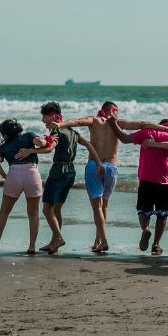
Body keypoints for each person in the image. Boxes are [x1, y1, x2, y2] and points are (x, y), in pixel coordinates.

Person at [109, 114, 168, 254]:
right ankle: (156, 244)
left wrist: (113, 124)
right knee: (162, 215)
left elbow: (124, 139)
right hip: (164, 180)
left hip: (145, 179)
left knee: (143, 210)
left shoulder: (146, 132)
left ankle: (146, 229)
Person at [66, 100, 122, 253]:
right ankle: (98, 240)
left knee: (96, 207)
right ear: (114, 111)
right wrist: (163, 128)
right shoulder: (118, 123)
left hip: (94, 165)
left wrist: (60, 124)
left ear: (103, 110)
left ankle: (102, 241)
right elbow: (142, 124)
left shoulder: (94, 120)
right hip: (111, 167)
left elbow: (77, 121)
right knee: (104, 206)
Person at [0, 117, 47, 254]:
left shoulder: (3, 147)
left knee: (4, 211)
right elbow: (41, 143)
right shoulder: (29, 135)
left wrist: (6, 176)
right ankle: (32, 246)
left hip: (14, 174)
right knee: (33, 213)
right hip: (32, 173)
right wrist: (44, 139)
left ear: (5, 133)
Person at [38, 102, 83, 255]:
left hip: (58, 172)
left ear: (52, 116)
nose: (43, 120)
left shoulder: (57, 131)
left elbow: (49, 147)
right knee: (57, 209)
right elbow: (89, 145)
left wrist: (30, 150)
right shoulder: (72, 132)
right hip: (71, 171)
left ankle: (58, 238)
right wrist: (97, 162)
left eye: (44, 117)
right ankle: (54, 243)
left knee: (46, 209)